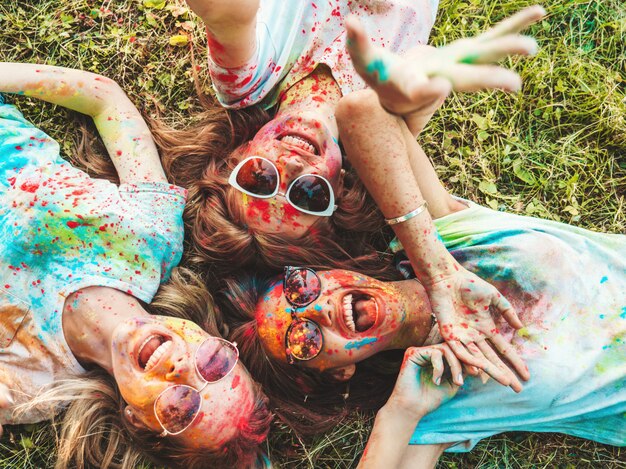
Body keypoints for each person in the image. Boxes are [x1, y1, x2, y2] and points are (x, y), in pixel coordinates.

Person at [216, 67, 626, 463]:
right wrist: (400, 414)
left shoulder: (449, 239)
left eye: (301, 287)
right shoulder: (439, 397)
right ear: (336, 373)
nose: (319, 308)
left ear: (329, 271)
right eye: (304, 339)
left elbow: (361, 111)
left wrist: (439, 273)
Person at [0, 63, 270, 468]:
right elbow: (106, 101)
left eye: (181, 407)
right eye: (214, 364)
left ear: (136, 420)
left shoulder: (30, 387)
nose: (182, 368)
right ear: (209, 335)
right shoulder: (153, 237)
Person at [176, 0, 540, 274]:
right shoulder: (381, 134)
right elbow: (416, 79)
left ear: (235, 156)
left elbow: (228, 16)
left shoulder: (245, 83)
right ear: (340, 193)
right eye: (309, 194)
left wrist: (223, 14)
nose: (291, 165)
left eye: (260, 177)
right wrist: (416, 81)